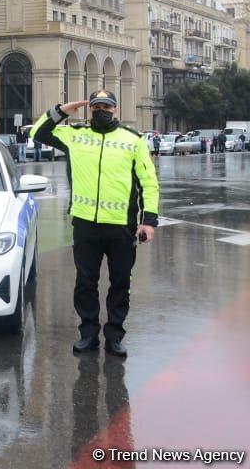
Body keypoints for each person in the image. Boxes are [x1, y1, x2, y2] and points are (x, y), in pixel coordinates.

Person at [31, 90, 159, 358]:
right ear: (90, 110)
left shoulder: (132, 140)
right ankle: (88, 334)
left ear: (116, 110)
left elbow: (148, 183)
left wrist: (148, 221)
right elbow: (38, 133)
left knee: (120, 283)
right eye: (96, 106)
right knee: (85, 282)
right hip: (85, 225)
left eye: (106, 107)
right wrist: (64, 109)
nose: (102, 110)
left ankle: (114, 335)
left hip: (121, 227)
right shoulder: (75, 136)